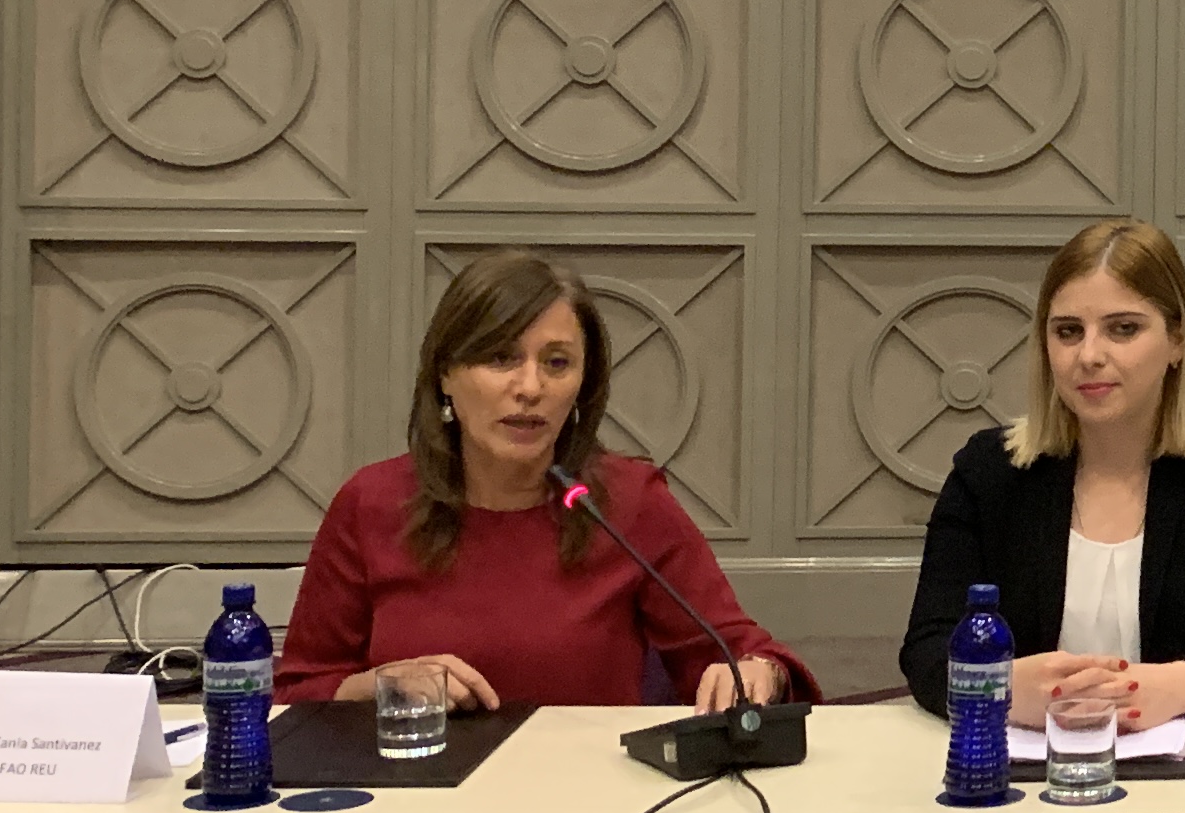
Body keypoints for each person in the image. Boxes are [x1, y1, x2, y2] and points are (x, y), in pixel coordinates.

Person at [275, 250, 807, 709]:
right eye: (500, 358)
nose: (530, 388)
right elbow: (297, 693)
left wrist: (761, 673)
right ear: (445, 374)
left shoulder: (626, 503)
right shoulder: (371, 503)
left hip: (585, 791)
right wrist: (383, 687)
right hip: (416, 786)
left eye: (556, 363)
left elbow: (743, 653)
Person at [898, 219, 1185, 728]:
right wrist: (998, 686)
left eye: (1123, 328)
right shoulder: (989, 471)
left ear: (1177, 340)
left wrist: (1180, 686)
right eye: (1068, 331)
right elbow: (927, 649)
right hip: (1022, 759)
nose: (1089, 356)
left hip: (1180, 760)